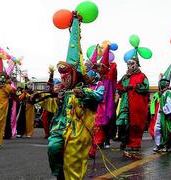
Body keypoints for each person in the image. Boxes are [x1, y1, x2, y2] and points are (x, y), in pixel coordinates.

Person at [39, 11, 103, 179]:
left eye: (67, 74)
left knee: (73, 160)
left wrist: (83, 94)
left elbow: (98, 97)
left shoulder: (90, 89)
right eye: (62, 75)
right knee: (53, 148)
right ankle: (58, 174)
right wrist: (38, 98)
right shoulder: (62, 91)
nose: (64, 78)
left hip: (77, 131)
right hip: (60, 128)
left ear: (76, 75)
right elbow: (49, 104)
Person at [116, 36, 150, 152]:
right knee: (122, 122)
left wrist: (133, 87)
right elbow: (119, 86)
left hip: (136, 104)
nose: (130, 66)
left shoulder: (142, 76)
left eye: (132, 64)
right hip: (126, 102)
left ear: (137, 64)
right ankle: (124, 140)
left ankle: (134, 143)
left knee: (135, 124)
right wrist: (121, 89)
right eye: (128, 64)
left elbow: (145, 87)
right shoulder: (125, 76)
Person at [153, 56, 171, 153]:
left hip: (166, 115)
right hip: (161, 114)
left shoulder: (168, 92)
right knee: (157, 129)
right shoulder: (162, 93)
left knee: (166, 131)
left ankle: (167, 146)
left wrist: (164, 111)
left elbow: (169, 105)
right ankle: (158, 144)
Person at [0, 72, 16, 149]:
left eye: (2, 77)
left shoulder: (7, 87)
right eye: (0, 77)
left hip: (2, 108)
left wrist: (6, 84)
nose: (0, 78)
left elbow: (14, 93)